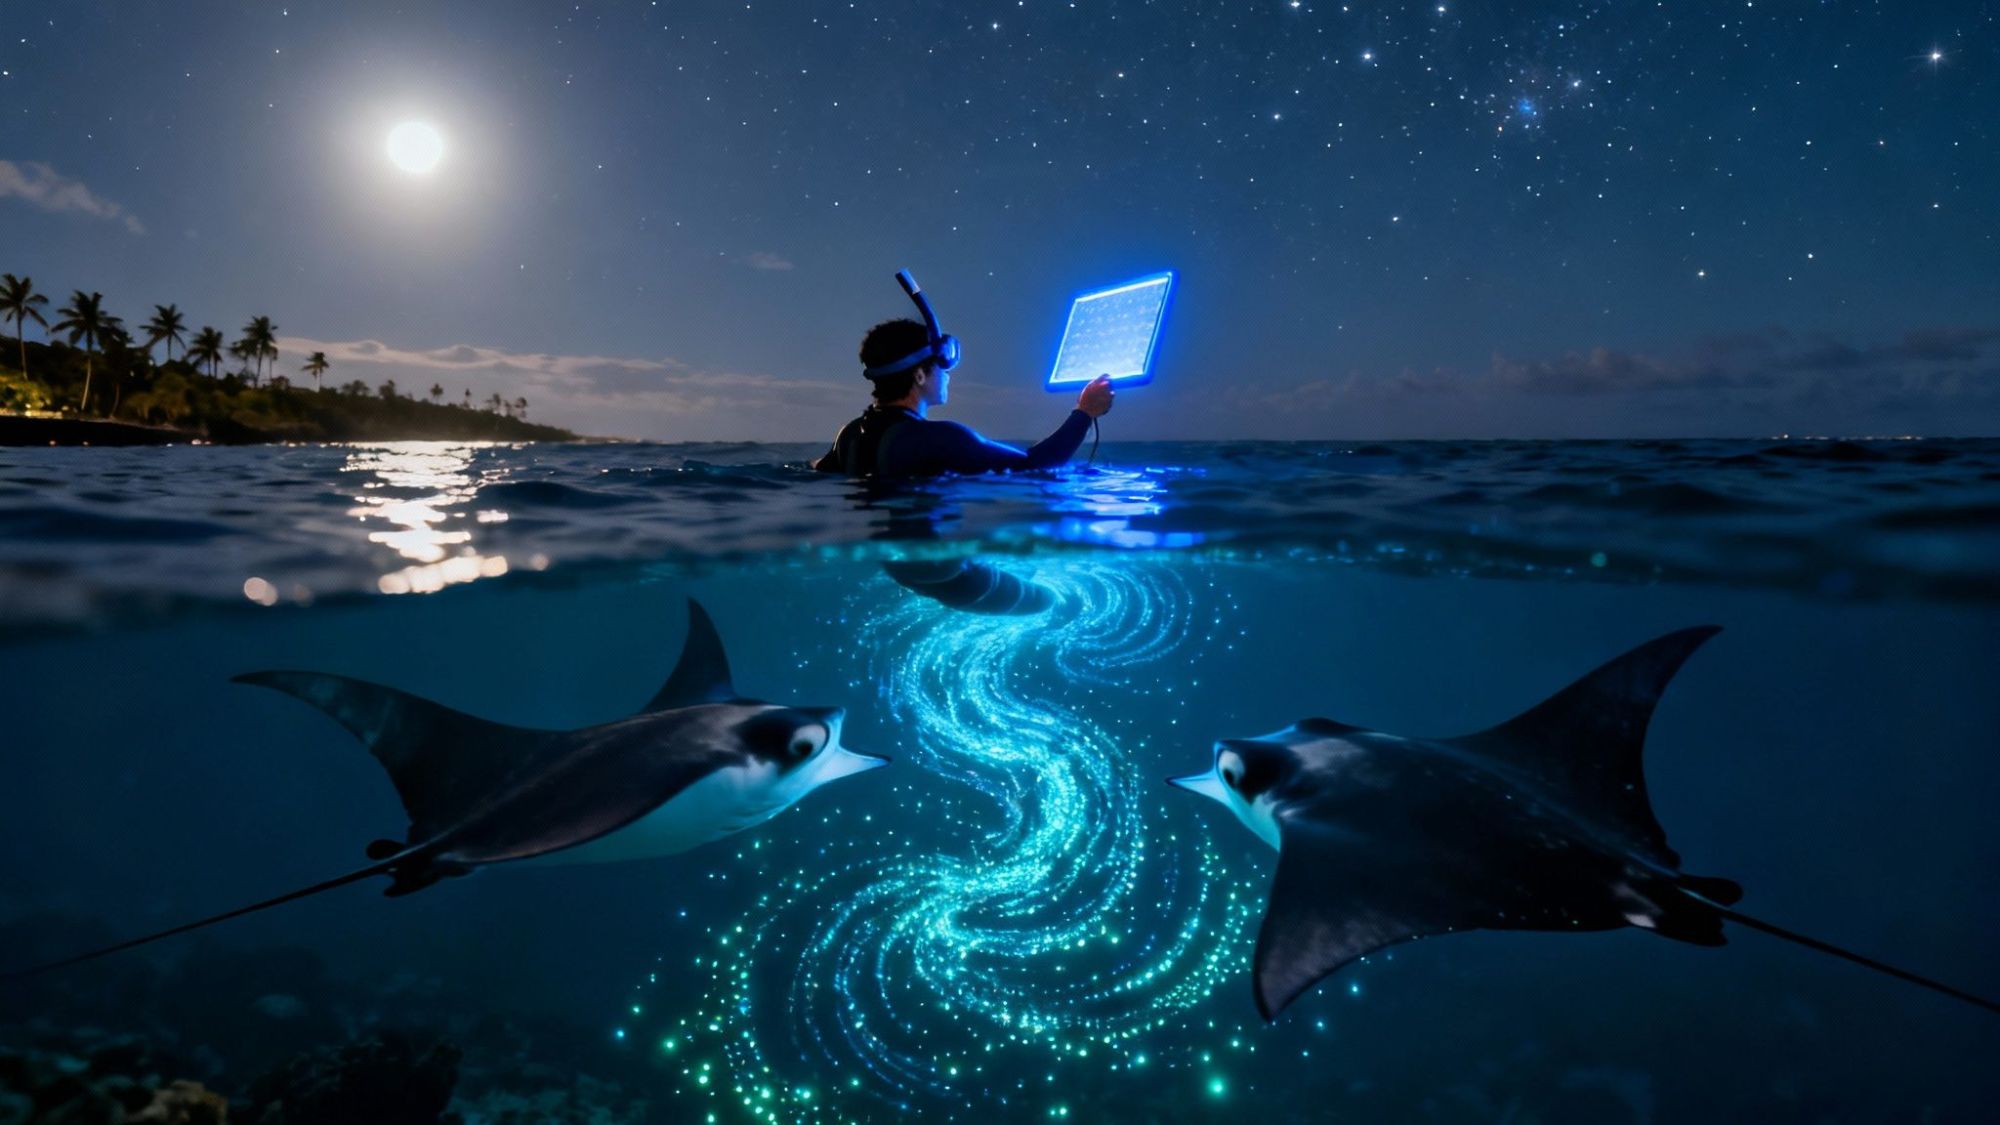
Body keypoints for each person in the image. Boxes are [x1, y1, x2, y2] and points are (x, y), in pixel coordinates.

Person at [812, 318, 1114, 478]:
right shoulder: (939, 438)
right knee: (1038, 597)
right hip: (942, 569)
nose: (948, 374)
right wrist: (1085, 412)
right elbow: (1036, 466)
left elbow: (813, 471)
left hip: (891, 559)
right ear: (919, 375)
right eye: (943, 364)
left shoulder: (850, 433)